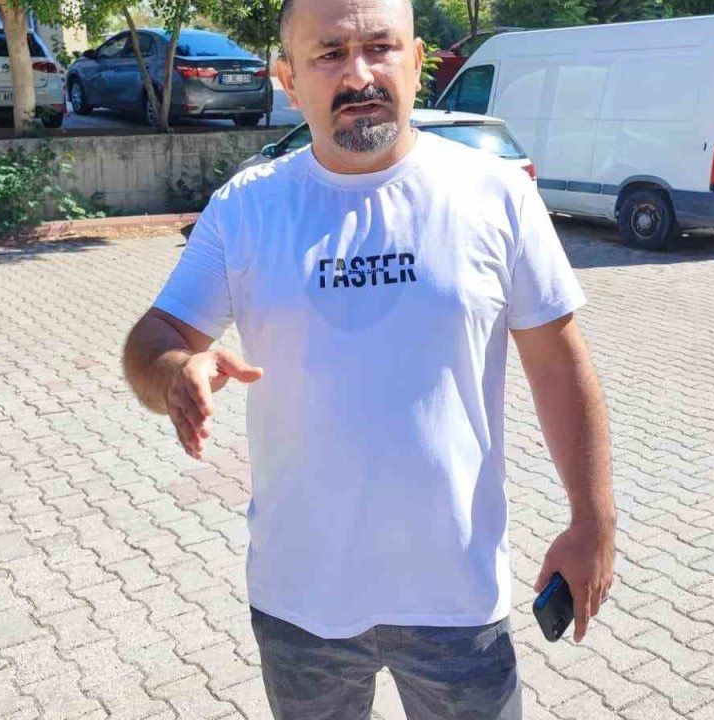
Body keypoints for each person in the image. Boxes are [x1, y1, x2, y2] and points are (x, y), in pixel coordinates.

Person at [122, 0, 616, 715]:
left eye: (381, 47)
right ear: (288, 81)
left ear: (416, 63)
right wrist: (175, 372)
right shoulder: (247, 208)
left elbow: (558, 364)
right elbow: (156, 335)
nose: (358, 75)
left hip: (457, 597)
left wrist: (592, 521)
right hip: (300, 602)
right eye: (329, 54)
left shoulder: (496, 193)